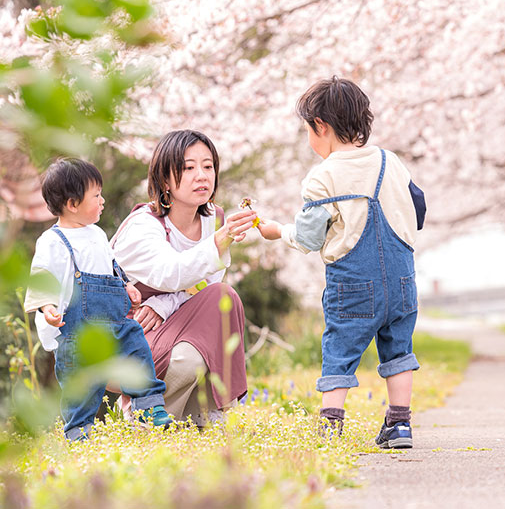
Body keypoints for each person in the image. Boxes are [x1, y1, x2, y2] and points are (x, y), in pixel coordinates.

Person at [257, 76, 426, 448]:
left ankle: (331, 427)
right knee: (399, 348)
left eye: (308, 130)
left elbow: (308, 237)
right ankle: (399, 425)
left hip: (352, 284)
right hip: (401, 281)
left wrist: (277, 231)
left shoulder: (322, 177)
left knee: (340, 350)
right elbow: (418, 207)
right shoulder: (391, 162)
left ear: (321, 127)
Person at [111, 130, 258, 426]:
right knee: (191, 353)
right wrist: (223, 239)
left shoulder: (213, 220)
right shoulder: (143, 226)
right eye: (188, 168)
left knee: (222, 299)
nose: (201, 175)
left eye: (208, 166)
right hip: (125, 345)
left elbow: (206, 286)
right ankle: (139, 408)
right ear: (165, 180)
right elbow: (172, 272)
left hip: (170, 329)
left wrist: (164, 304)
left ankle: (203, 414)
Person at [24, 158, 171, 440]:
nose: (103, 201)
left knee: (138, 348)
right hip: (76, 331)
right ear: (72, 204)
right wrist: (48, 307)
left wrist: (126, 285)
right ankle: (78, 431)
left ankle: (149, 407)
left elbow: (112, 265)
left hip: (115, 322)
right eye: (96, 195)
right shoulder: (52, 241)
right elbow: (41, 279)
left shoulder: (97, 234)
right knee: (83, 383)